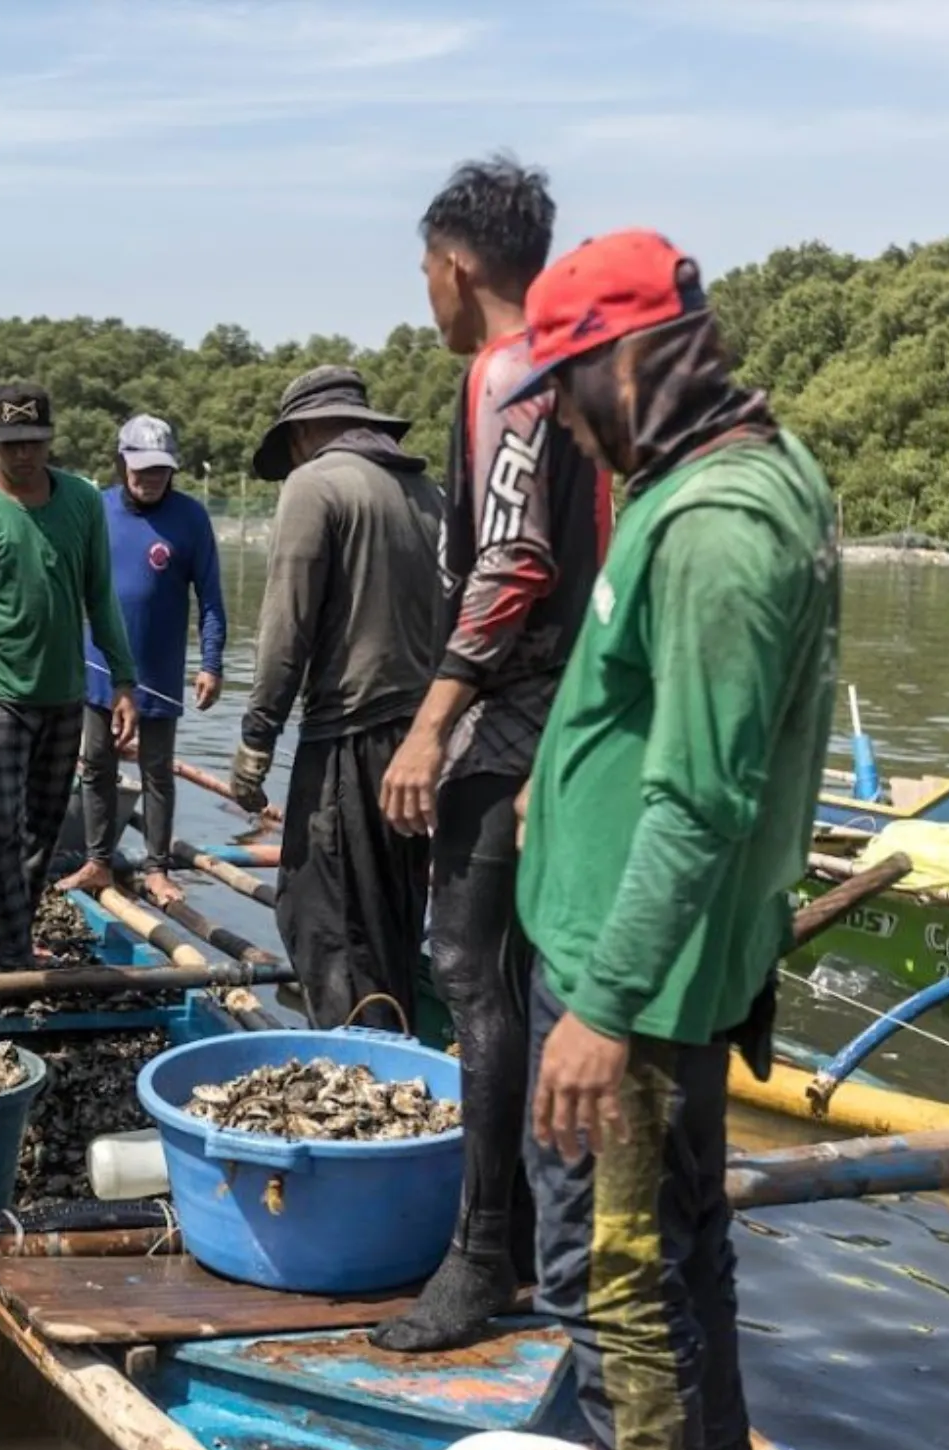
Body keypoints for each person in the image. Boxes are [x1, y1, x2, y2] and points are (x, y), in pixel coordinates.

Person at [505, 229, 839, 1450]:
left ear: (639, 362)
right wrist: (558, 774)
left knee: (605, 1276)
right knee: (687, 1244)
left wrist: (601, 1007)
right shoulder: (730, 467)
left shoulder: (715, 533)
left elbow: (698, 800)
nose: (568, 426)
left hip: (629, 980)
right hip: (661, 963)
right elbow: (655, 718)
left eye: (574, 388)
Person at [373, 156, 613, 1355]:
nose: (426, 291)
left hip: (521, 721)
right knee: (520, 983)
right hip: (567, 723)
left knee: (473, 977)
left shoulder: (511, 370)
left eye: (425, 270)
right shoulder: (569, 368)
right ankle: (520, 1236)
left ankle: (486, 1254)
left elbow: (511, 561)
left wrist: (431, 723)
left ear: (457, 266)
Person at [229, 366, 441, 1027]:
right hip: (425, 743)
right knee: (392, 923)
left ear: (304, 434)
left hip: (350, 738)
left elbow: (285, 627)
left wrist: (255, 741)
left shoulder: (315, 484)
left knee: (326, 920)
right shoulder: (429, 494)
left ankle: (361, 1083)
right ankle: (402, 1064)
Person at [0, 384, 138, 969]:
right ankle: (13, 951)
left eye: (35, 443)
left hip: (64, 694)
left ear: (50, 440)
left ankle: (9, 930)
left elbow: (100, 595)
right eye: (11, 443)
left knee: (43, 828)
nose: (24, 455)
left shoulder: (82, 502)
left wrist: (123, 679)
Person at [56, 415, 226, 907]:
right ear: (121, 462)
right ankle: (98, 862)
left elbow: (211, 598)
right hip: (97, 669)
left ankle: (156, 867)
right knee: (95, 765)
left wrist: (211, 662)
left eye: (160, 470)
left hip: (158, 671)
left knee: (156, 770)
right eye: (140, 468)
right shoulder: (95, 509)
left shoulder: (191, 518)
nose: (149, 478)